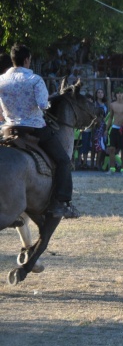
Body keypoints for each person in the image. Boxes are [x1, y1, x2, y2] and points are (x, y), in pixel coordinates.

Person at [0, 44, 78, 218]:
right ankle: (61, 203)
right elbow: (44, 105)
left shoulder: (1, 81)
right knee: (64, 161)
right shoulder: (35, 80)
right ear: (27, 60)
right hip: (34, 129)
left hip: (8, 130)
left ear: (13, 60)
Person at [105, 87, 123, 175]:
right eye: (118, 93)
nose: (119, 95)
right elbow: (111, 117)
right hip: (115, 127)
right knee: (112, 149)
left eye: (121, 93)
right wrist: (107, 129)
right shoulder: (112, 105)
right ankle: (112, 168)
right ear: (115, 95)